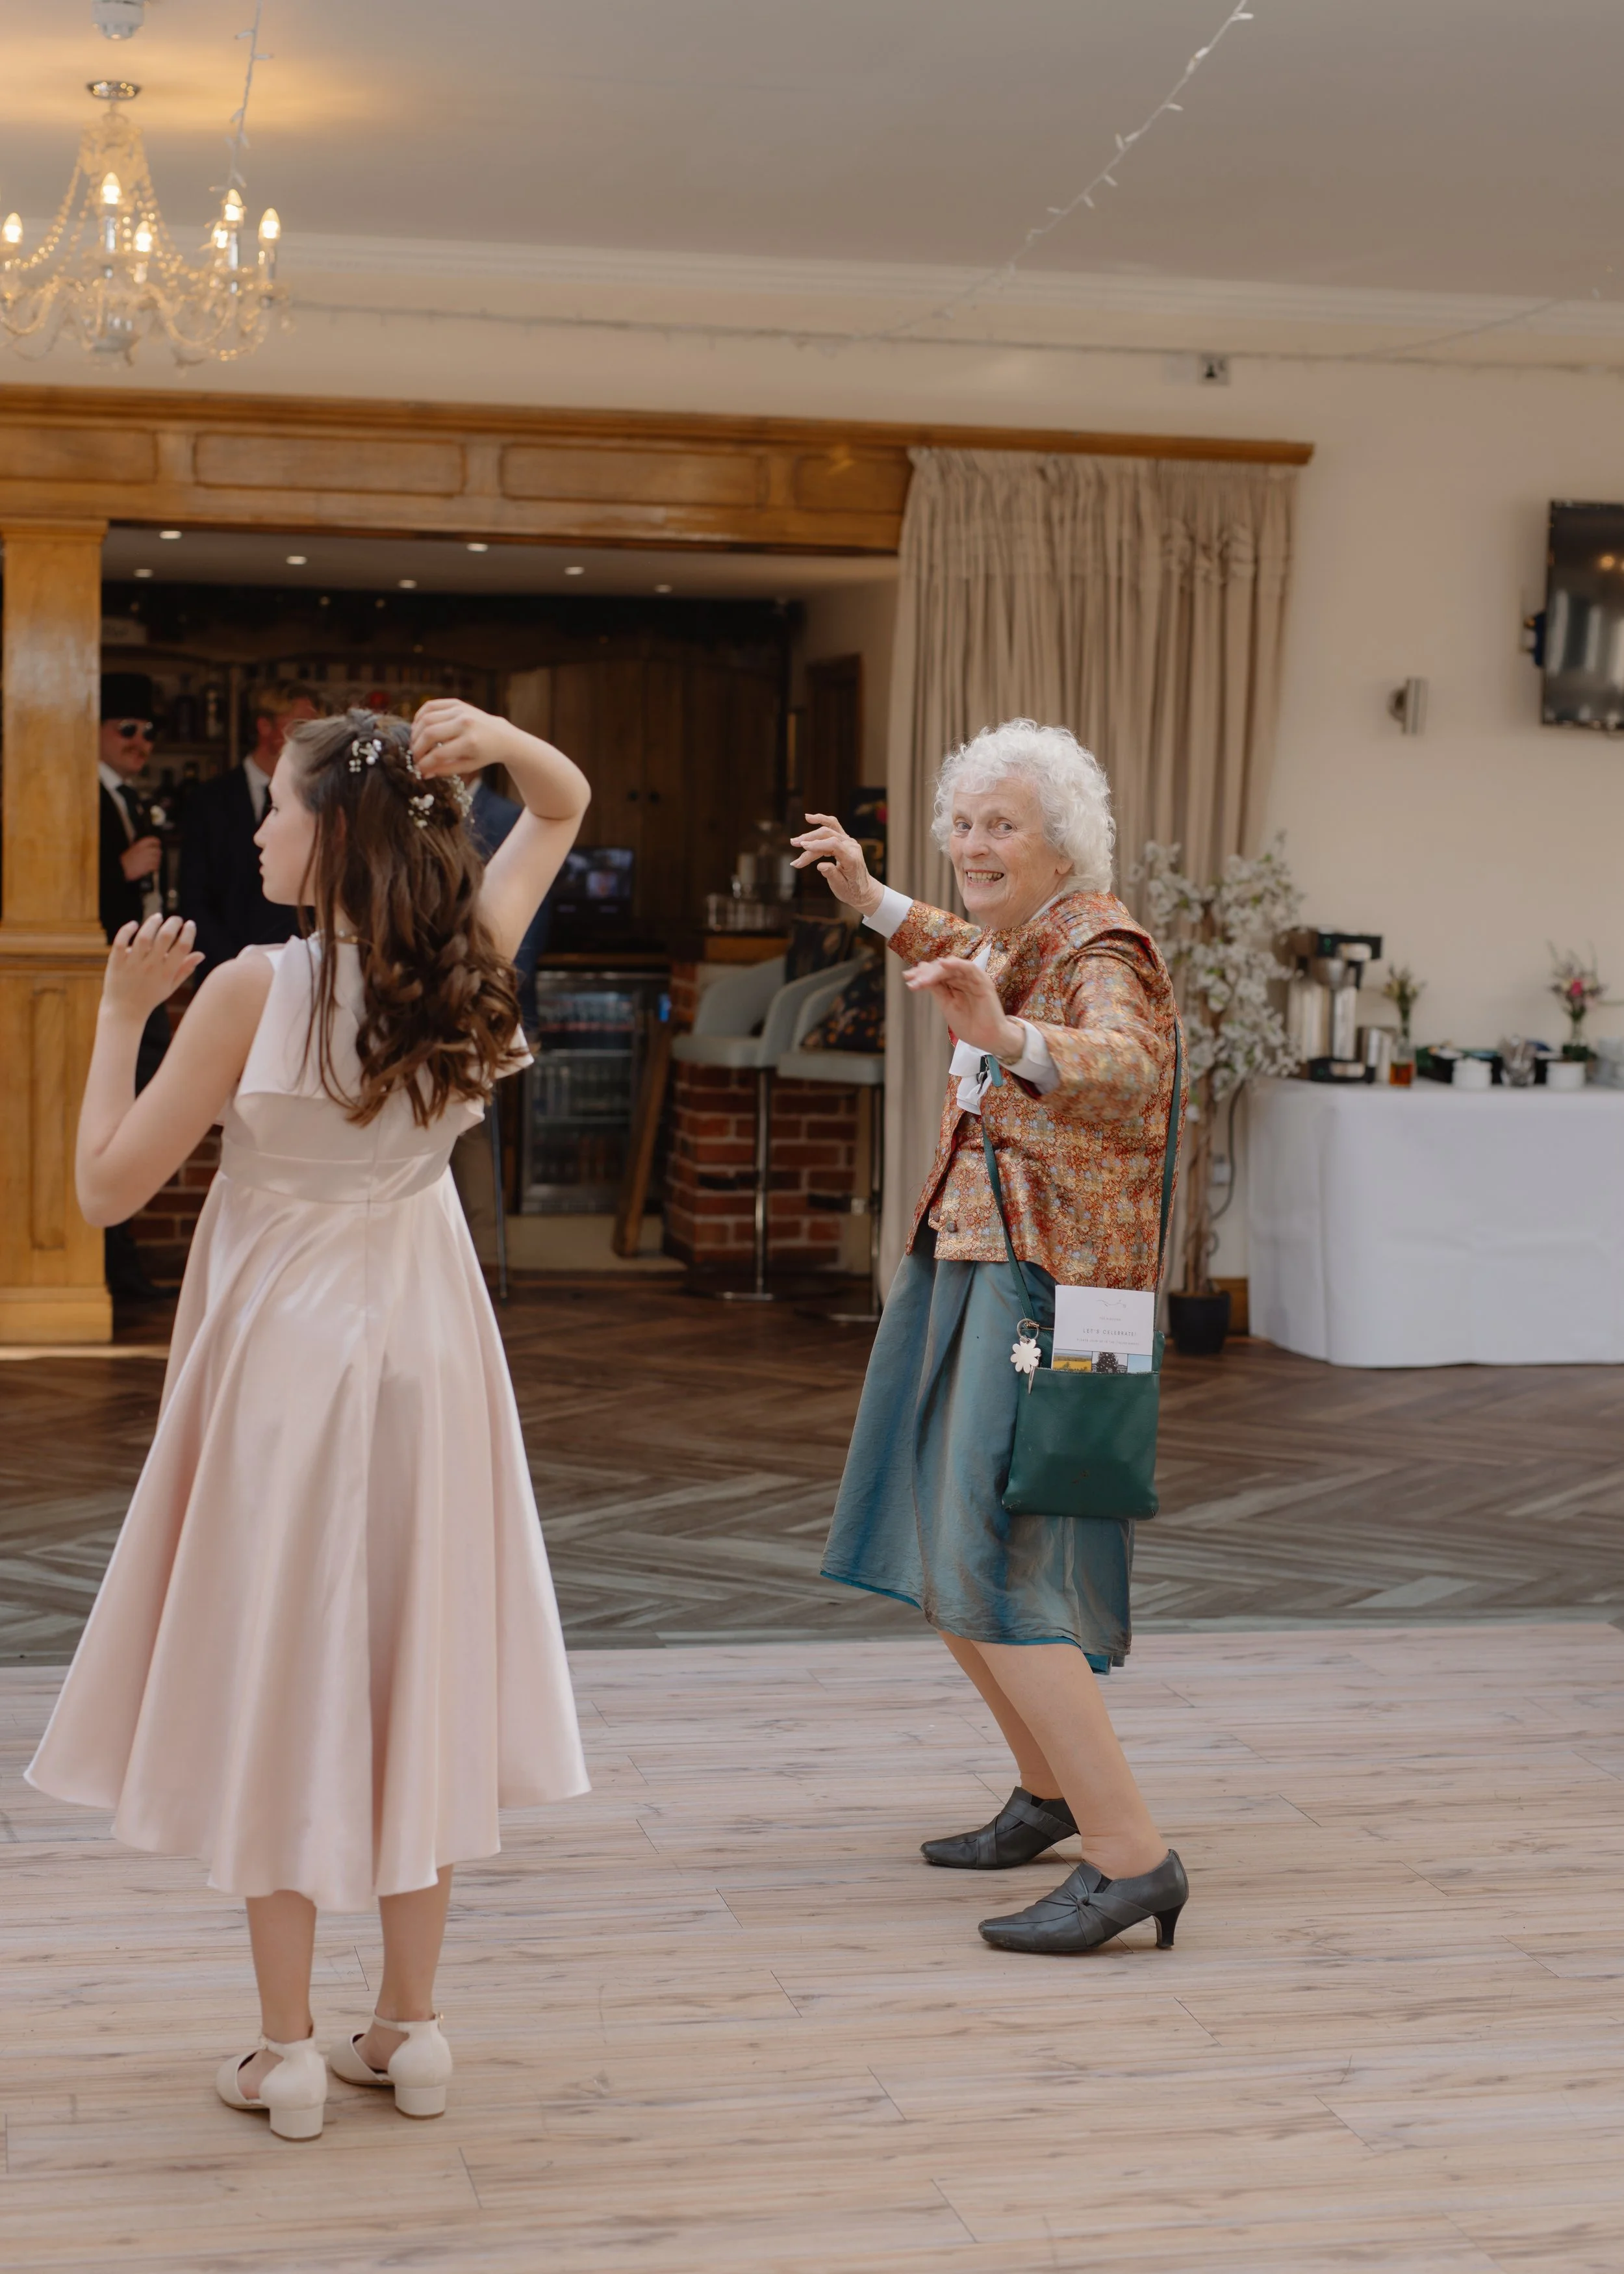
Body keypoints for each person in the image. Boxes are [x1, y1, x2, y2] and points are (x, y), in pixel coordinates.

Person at [27, 700, 593, 2141]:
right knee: (420, 1668)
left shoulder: (250, 991)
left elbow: (101, 1191)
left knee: (281, 1675)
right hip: (429, 1350)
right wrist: (497, 739)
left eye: (278, 808)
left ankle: (283, 2051)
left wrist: (113, 1017)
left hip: (286, 1355)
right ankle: (410, 2029)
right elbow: (565, 803)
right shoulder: (471, 965)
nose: (260, 830)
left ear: (332, 834)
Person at [792, 719, 1188, 1958]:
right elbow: (965, 949)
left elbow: (1133, 1064)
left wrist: (1008, 1040)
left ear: (1060, 843)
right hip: (985, 1264)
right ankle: (1053, 1796)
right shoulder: (1029, 936)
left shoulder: (1102, 943)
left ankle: (1131, 1860)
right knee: (947, 1544)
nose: (972, 843)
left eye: (1000, 824)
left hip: (1055, 1292)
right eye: (963, 822)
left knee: (1005, 1562)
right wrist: (869, 898)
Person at [97, 673, 172, 1300]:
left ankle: (122, 1267)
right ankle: (108, 1271)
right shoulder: (77, 797)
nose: (140, 742)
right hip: (103, 988)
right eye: (127, 729)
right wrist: (118, 873)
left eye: (148, 732)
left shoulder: (129, 797)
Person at [178, 683, 322, 978]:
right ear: (264, 725)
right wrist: (231, 969)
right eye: (300, 725)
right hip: (221, 966)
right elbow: (193, 895)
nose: (309, 737)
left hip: (299, 970)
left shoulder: (317, 799)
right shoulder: (210, 799)